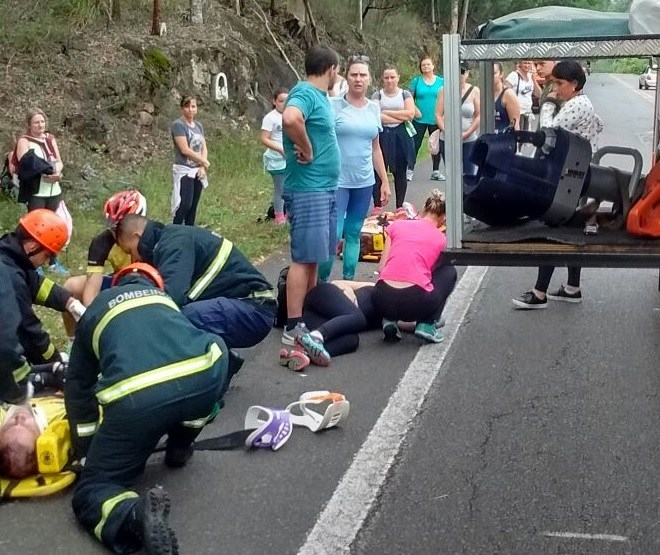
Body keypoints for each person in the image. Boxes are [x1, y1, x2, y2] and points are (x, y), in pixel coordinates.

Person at [64, 262, 229, 554]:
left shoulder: (96, 310)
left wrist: (87, 453)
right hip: (203, 377)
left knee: (92, 492)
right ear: (155, 284)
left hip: (137, 401)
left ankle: (133, 516)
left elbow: (79, 390)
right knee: (198, 390)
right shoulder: (166, 301)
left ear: (117, 285)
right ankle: (179, 449)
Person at [512, 60, 604, 310]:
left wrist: (549, 104)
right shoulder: (584, 103)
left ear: (574, 85)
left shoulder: (576, 104)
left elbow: (547, 133)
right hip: (579, 173)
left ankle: (539, 292)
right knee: (571, 230)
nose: (557, 88)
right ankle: (572, 287)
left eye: (560, 84)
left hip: (571, 176)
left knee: (553, 229)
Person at [115, 214, 275, 350]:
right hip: (245, 306)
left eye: (130, 251)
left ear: (137, 236)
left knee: (175, 319)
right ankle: (220, 365)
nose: (133, 259)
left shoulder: (174, 244)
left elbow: (172, 298)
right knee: (176, 318)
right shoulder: (170, 239)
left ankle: (205, 373)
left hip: (254, 309)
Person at [280, 43, 341, 347]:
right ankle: (293, 325)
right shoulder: (304, 92)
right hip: (309, 190)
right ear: (332, 70)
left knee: (316, 257)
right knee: (304, 258)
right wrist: (306, 146)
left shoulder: (318, 96)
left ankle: (308, 314)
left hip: (323, 188)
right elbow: (291, 119)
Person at [319, 56, 390, 283]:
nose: (358, 79)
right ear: (346, 77)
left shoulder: (374, 108)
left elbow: (375, 147)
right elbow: (321, 140)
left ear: (370, 79)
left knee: (353, 233)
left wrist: (384, 181)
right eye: (354, 74)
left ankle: (348, 282)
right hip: (337, 181)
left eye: (363, 75)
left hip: (364, 182)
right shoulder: (333, 106)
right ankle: (322, 284)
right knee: (333, 234)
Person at [61, 189, 147, 350]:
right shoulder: (102, 242)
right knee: (71, 287)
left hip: (145, 288)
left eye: (120, 228)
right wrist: (92, 319)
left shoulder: (152, 242)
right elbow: (91, 288)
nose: (115, 233)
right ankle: (73, 344)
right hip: (118, 283)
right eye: (113, 227)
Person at [0, 209, 86, 368]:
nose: (46, 262)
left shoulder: (11, 254)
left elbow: (35, 283)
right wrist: (55, 361)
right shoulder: (10, 277)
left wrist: (69, 302)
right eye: (47, 255)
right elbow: (29, 333)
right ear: (32, 246)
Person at [371, 189, 457, 344]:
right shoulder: (441, 239)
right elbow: (431, 272)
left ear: (423, 210)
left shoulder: (397, 226)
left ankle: (389, 320)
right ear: (443, 218)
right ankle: (427, 323)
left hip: (381, 297)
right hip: (416, 302)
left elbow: (382, 267)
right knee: (449, 271)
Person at [15, 108, 68, 275]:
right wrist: (44, 171)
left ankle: (52, 261)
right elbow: (26, 163)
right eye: (36, 122)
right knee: (36, 228)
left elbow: (58, 160)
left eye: (42, 121)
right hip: (36, 191)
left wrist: (57, 173)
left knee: (54, 226)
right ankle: (32, 262)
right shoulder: (24, 141)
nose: (40, 125)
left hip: (53, 190)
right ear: (29, 125)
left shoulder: (50, 139)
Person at [372, 65, 416, 211]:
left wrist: (386, 112)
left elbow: (410, 114)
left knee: (400, 172)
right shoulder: (377, 95)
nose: (389, 80)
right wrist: (399, 115)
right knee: (378, 171)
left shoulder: (405, 94)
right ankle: (377, 205)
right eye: (386, 78)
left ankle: (399, 206)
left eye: (392, 77)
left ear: (398, 78)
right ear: (382, 79)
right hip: (382, 136)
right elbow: (375, 116)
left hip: (401, 137)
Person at [0, 396, 67, 479]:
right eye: (26, 426)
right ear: (41, 436)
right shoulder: (60, 414)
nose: (19, 416)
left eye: (9, 426)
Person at [435, 61, 481, 177]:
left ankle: (467, 195)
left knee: (469, 174)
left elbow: (478, 115)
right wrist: (447, 131)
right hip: (448, 139)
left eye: (462, 72)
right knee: (452, 175)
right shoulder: (443, 90)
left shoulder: (474, 91)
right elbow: (438, 115)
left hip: (469, 139)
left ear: (467, 73)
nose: (459, 75)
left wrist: (468, 132)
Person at [171, 95, 209, 226]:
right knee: (184, 204)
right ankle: (175, 229)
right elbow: (185, 150)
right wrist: (203, 161)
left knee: (193, 205)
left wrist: (202, 166)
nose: (190, 110)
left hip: (197, 169)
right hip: (184, 169)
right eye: (187, 106)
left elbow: (204, 147)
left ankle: (189, 231)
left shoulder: (198, 125)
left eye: (193, 106)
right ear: (182, 108)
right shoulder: (178, 125)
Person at [408, 56, 445, 180]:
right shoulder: (416, 81)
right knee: (415, 145)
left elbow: (447, 98)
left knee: (435, 145)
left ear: (433, 66)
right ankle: (410, 170)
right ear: (421, 68)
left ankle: (435, 171)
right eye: (423, 65)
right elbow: (408, 97)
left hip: (436, 118)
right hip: (419, 119)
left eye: (428, 64)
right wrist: (414, 108)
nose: (426, 67)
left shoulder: (442, 81)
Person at [260, 88, 289, 225]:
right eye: (281, 100)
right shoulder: (270, 118)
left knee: (290, 187)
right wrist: (280, 149)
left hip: (290, 157)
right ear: (274, 101)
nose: (284, 103)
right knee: (280, 188)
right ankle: (279, 216)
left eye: (286, 100)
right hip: (276, 158)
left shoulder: (291, 115)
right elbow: (264, 138)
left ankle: (288, 213)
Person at [505, 60, 542, 133]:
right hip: (517, 112)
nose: (527, 65)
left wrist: (533, 79)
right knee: (518, 137)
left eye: (529, 63)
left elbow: (539, 94)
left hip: (527, 112)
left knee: (526, 139)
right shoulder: (514, 75)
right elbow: (505, 91)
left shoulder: (530, 76)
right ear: (520, 64)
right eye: (525, 63)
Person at [493, 62, 521, 132]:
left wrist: (515, 141)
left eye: (494, 73)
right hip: (487, 140)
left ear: (501, 74)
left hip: (503, 140)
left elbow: (515, 123)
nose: (490, 76)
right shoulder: (483, 93)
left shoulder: (508, 94)